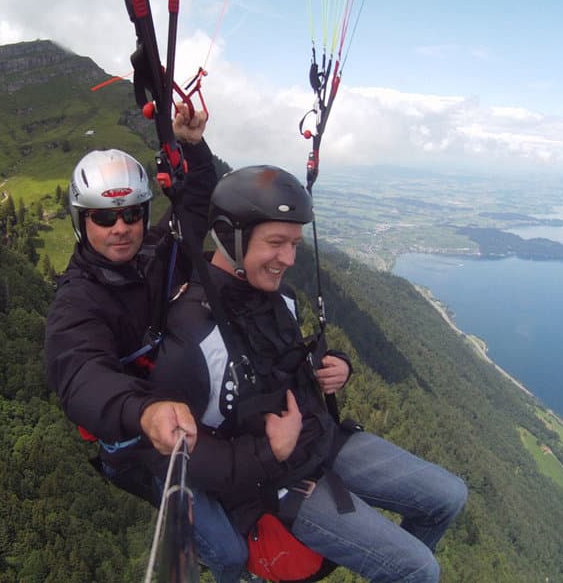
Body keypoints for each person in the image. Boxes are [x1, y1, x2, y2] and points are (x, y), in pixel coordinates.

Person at [150, 165, 468, 582]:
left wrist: (334, 366)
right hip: (274, 483)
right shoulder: (193, 335)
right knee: (418, 569)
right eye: (276, 243)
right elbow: (173, 457)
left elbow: (286, 361)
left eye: (295, 244)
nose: (289, 259)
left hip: (323, 441)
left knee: (448, 497)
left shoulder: (279, 296)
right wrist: (267, 455)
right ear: (230, 237)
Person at [44, 103, 252, 578]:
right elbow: (81, 375)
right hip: (135, 444)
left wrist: (193, 149)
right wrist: (143, 411)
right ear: (82, 223)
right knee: (231, 554)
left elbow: (195, 210)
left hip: (179, 408)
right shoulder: (78, 303)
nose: (121, 228)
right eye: (104, 218)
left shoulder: (156, 255)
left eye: (132, 213)